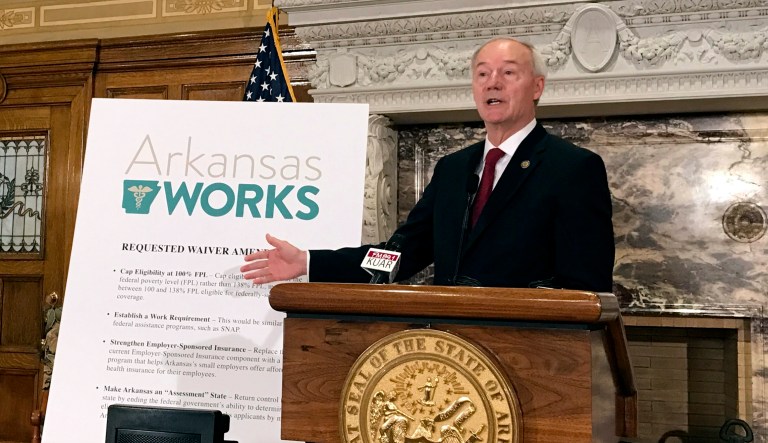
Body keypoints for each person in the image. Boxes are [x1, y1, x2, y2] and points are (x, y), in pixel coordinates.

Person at [240, 37, 615, 292]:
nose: (492, 83)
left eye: (508, 73)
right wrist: (309, 262)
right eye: (482, 73)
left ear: (537, 87)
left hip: (531, 358)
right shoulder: (453, 169)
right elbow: (400, 254)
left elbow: (585, 286)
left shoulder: (573, 169)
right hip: (447, 352)